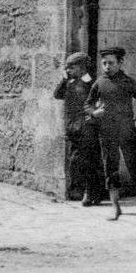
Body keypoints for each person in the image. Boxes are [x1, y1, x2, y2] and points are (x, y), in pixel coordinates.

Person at [85, 47, 136, 219]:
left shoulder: (128, 82)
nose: (107, 66)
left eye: (111, 63)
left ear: (120, 63)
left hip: (127, 131)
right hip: (107, 132)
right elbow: (88, 104)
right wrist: (94, 112)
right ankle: (115, 208)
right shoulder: (98, 83)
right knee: (110, 168)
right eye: (104, 63)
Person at [52, 52, 104, 205]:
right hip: (73, 128)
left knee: (89, 161)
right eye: (67, 67)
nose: (68, 70)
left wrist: (94, 115)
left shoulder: (91, 83)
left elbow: (101, 102)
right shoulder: (69, 83)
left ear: (82, 68)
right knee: (76, 161)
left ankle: (91, 193)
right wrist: (63, 79)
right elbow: (57, 95)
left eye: (71, 67)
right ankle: (82, 190)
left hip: (87, 128)